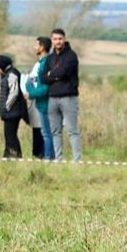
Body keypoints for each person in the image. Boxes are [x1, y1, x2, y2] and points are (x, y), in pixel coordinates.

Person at [44, 28, 82, 161]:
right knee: (55, 131)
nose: (58, 41)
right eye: (55, 39)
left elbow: (63, 72)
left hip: (68, 97)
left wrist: (52, 74)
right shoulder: (49, 58)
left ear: (64, 39)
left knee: (72, 130)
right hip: (52, 98)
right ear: (52, 40)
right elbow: (43, 78)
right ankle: (58, 159)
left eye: (60, 39)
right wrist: (54, 75)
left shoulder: (71, 56)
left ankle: (77, 160)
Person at [0, 53, 29, 158]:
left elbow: (14, 92)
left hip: (12, 112)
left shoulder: (12, 75)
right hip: (11, 111)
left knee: (10, 135)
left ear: (2, 66)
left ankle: (13, 156)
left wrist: (6, 108)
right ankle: (11, 155)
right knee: (10, 135)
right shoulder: (7, 74)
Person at [26, 34, 53, 160]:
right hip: (40, 103)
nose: (34, 47)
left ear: (42, 47)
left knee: (48, 134)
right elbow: (32, 81)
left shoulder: (46, 63)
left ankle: (49, 158)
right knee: (46, 133)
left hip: (46, 103)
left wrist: (31, 93)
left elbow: (45, 87)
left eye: (36, 44)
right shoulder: (40, 62)